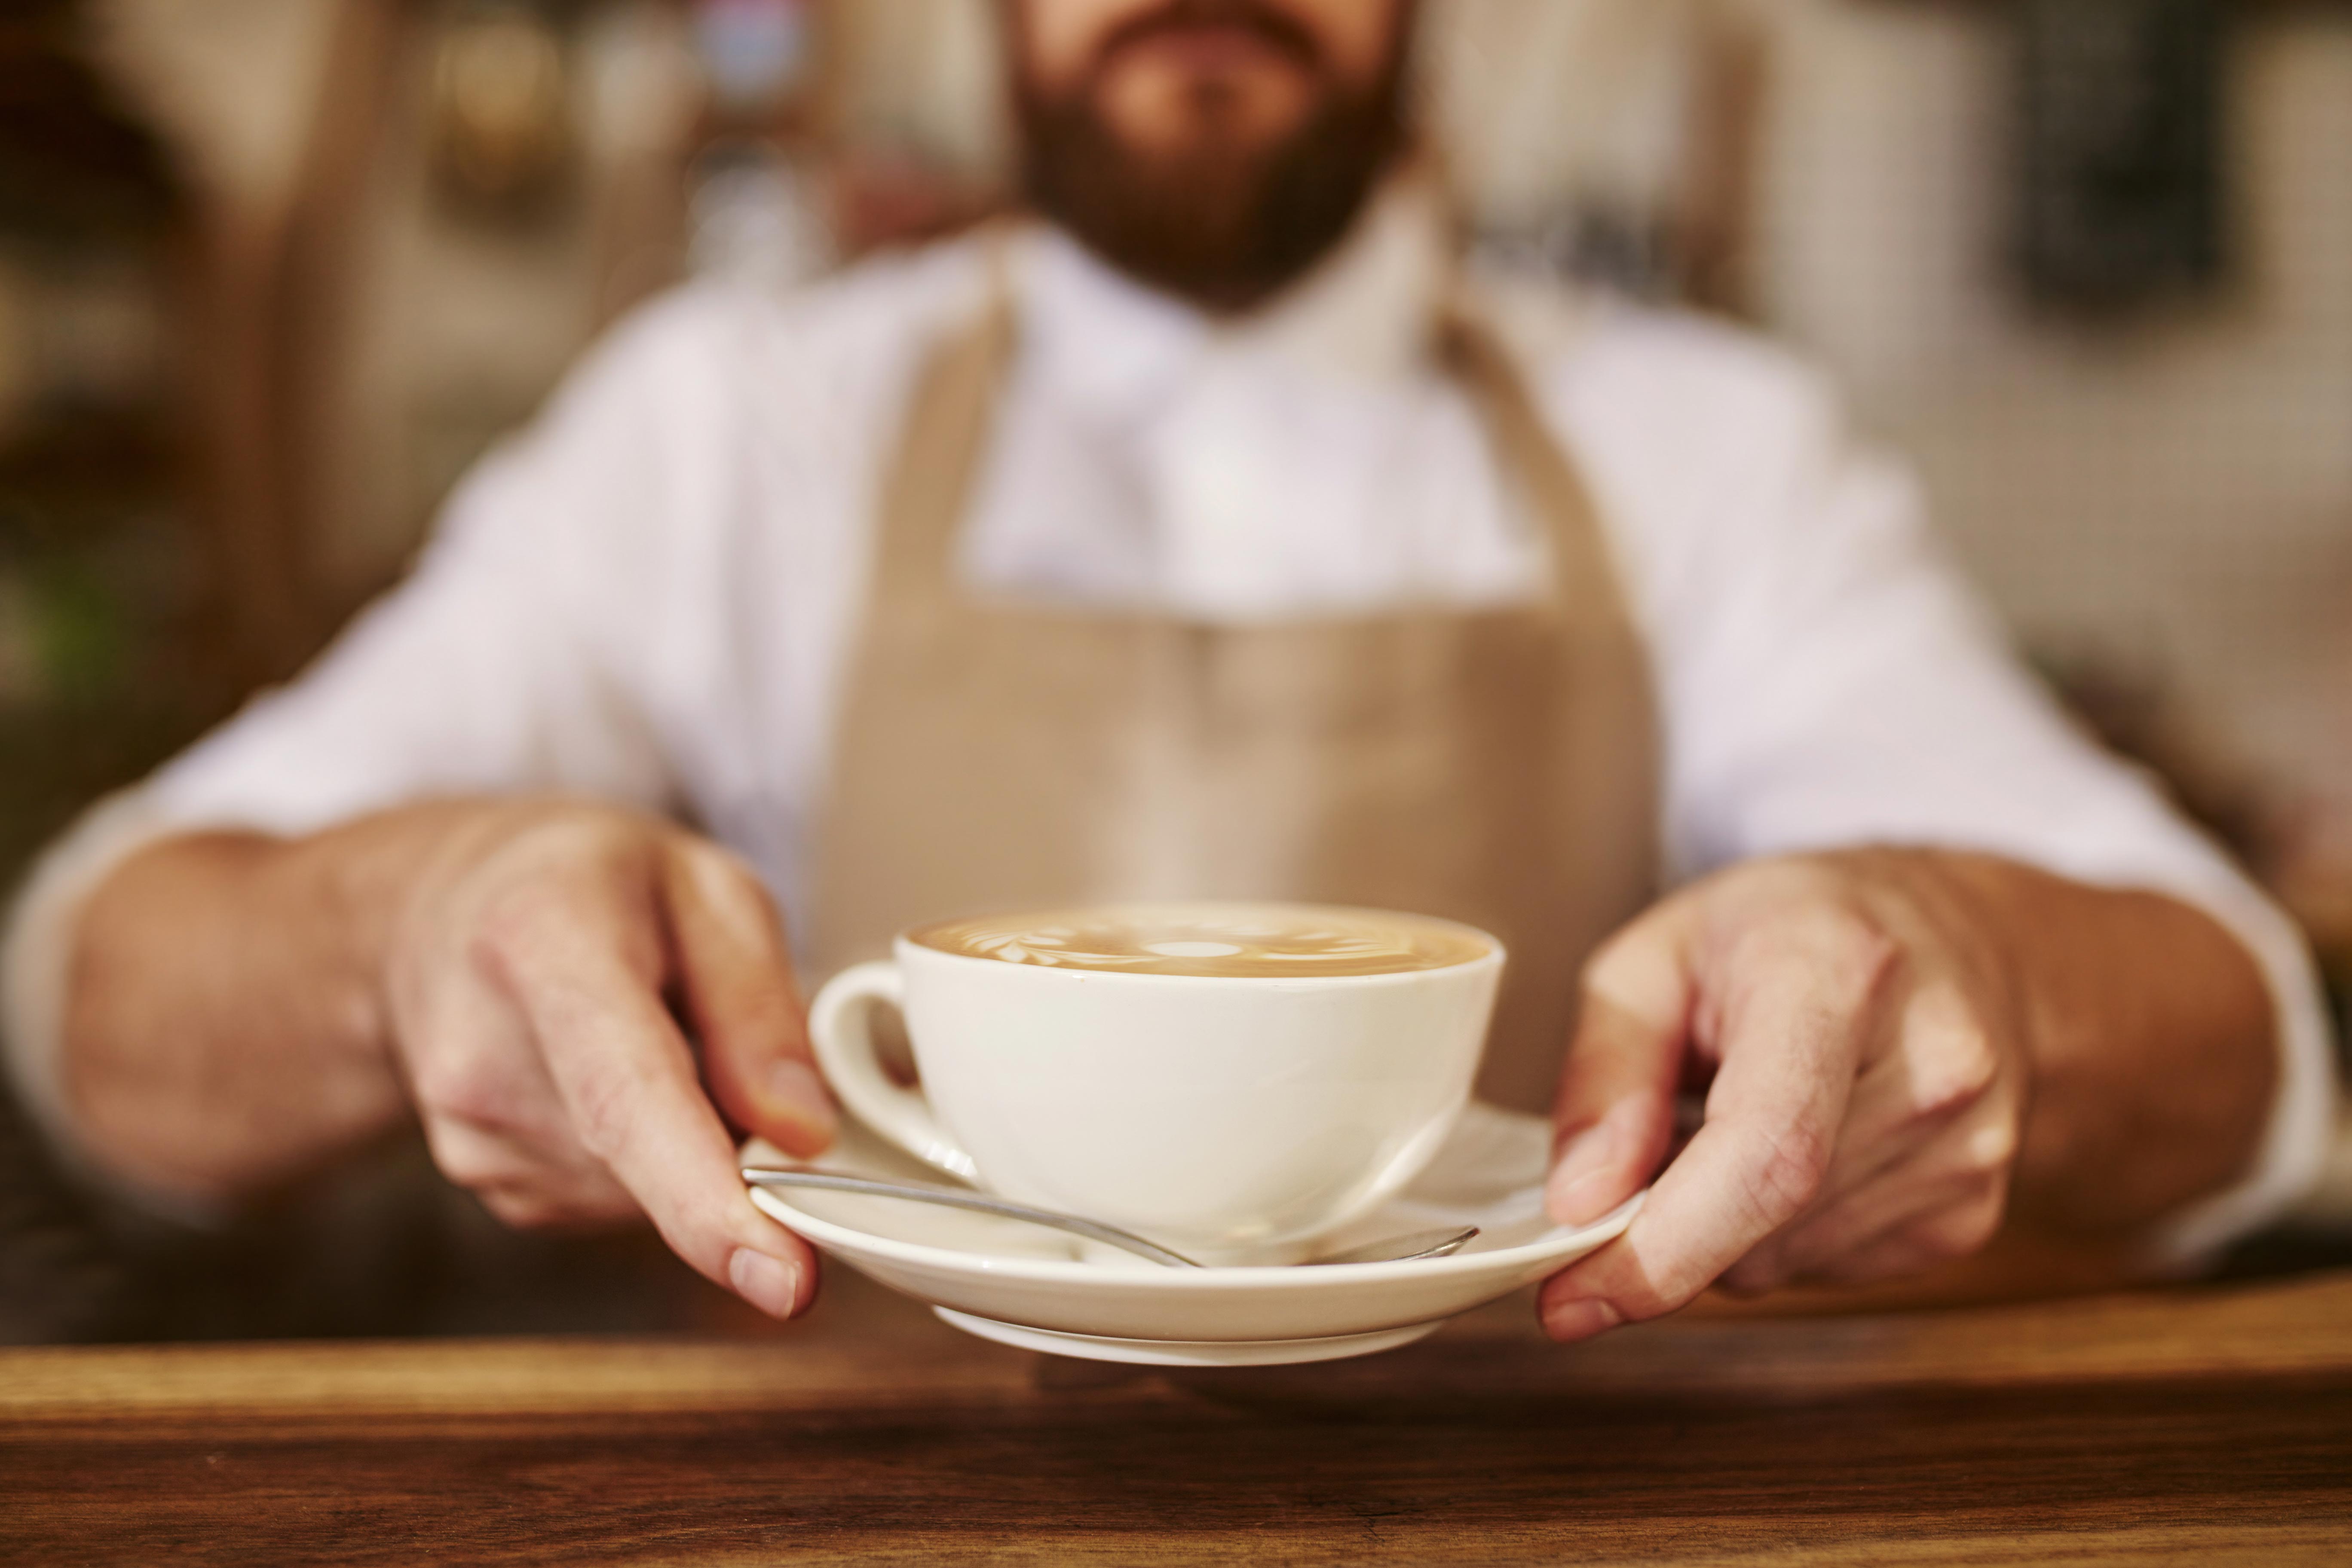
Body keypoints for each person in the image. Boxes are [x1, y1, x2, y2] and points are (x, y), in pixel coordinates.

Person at [3, 0, 2334, 1341]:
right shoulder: (727, 424)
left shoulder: (1704, 443)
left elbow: (2243, 1048)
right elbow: (94, 989)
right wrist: (408, 924)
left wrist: (1971, 977)